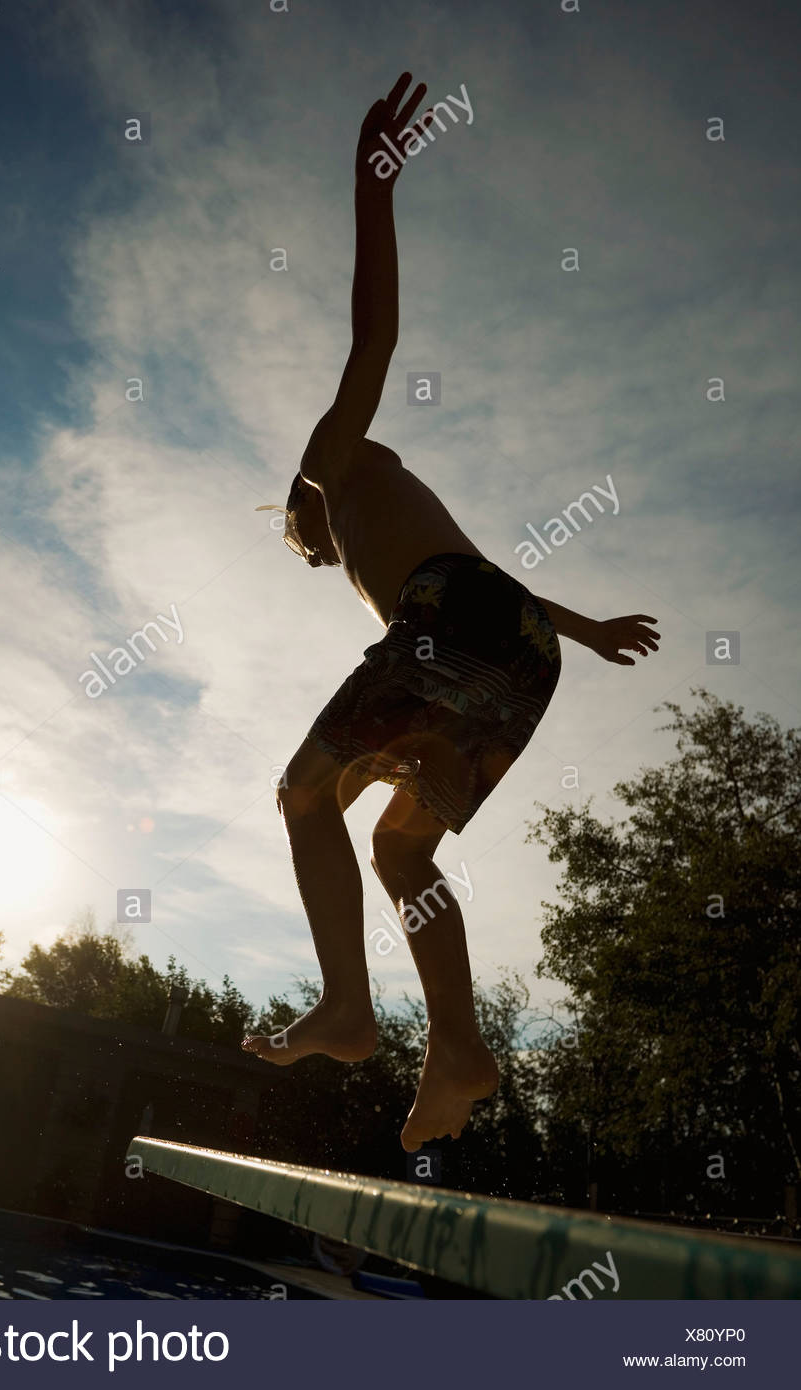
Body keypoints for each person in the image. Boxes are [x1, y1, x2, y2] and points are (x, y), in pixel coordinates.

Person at [243, 73, 661, 1152]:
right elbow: (497, 595)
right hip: (516, 649)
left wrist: (371, 189)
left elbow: (372, 345)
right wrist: (587, 631)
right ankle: (459, 1046)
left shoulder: (331, 465)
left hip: (456, 624)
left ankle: (349, 1007)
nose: (318, 551)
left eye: (308, 539)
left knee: (304, 794)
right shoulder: (377, 512)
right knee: (401, 853)